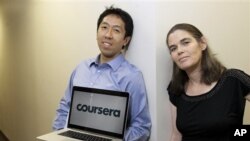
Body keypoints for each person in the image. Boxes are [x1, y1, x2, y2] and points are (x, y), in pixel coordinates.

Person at [53, 6, 151, 141]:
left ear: (125, 40)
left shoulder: (132, 76)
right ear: (97, 31)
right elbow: (64, 107)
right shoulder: (81, 68)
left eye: (116, 30)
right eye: (104, 27)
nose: (108, 35)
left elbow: (141, 128)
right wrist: (58, 134)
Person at [166, 23, 250, 141]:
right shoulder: (176, 88)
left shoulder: (233, 79)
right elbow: (176, 135)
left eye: (185, 42)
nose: (179, 51)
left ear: (202, 43)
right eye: (173, 48)